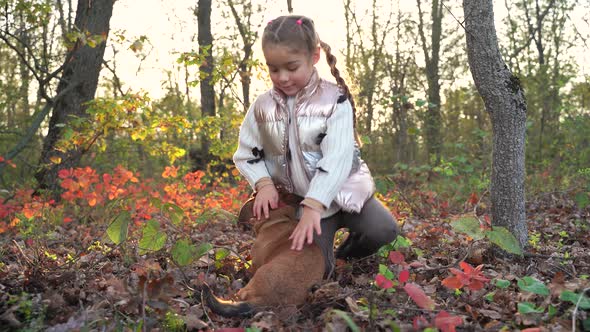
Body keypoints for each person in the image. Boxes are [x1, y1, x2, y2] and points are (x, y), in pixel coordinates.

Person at [233, 15, 399, 277]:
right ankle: (328, 261)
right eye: (274, 69)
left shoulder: (335, 100)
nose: (283, 77)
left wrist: (314, 205)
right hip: (301, 202)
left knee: (384, 229)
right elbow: (246, 154)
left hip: (344, 193)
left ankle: (348, 255)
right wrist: (263, 184)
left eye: (291, 67)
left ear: (314, 56)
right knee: (316, 270)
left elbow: (338, 159)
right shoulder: (262, 107)